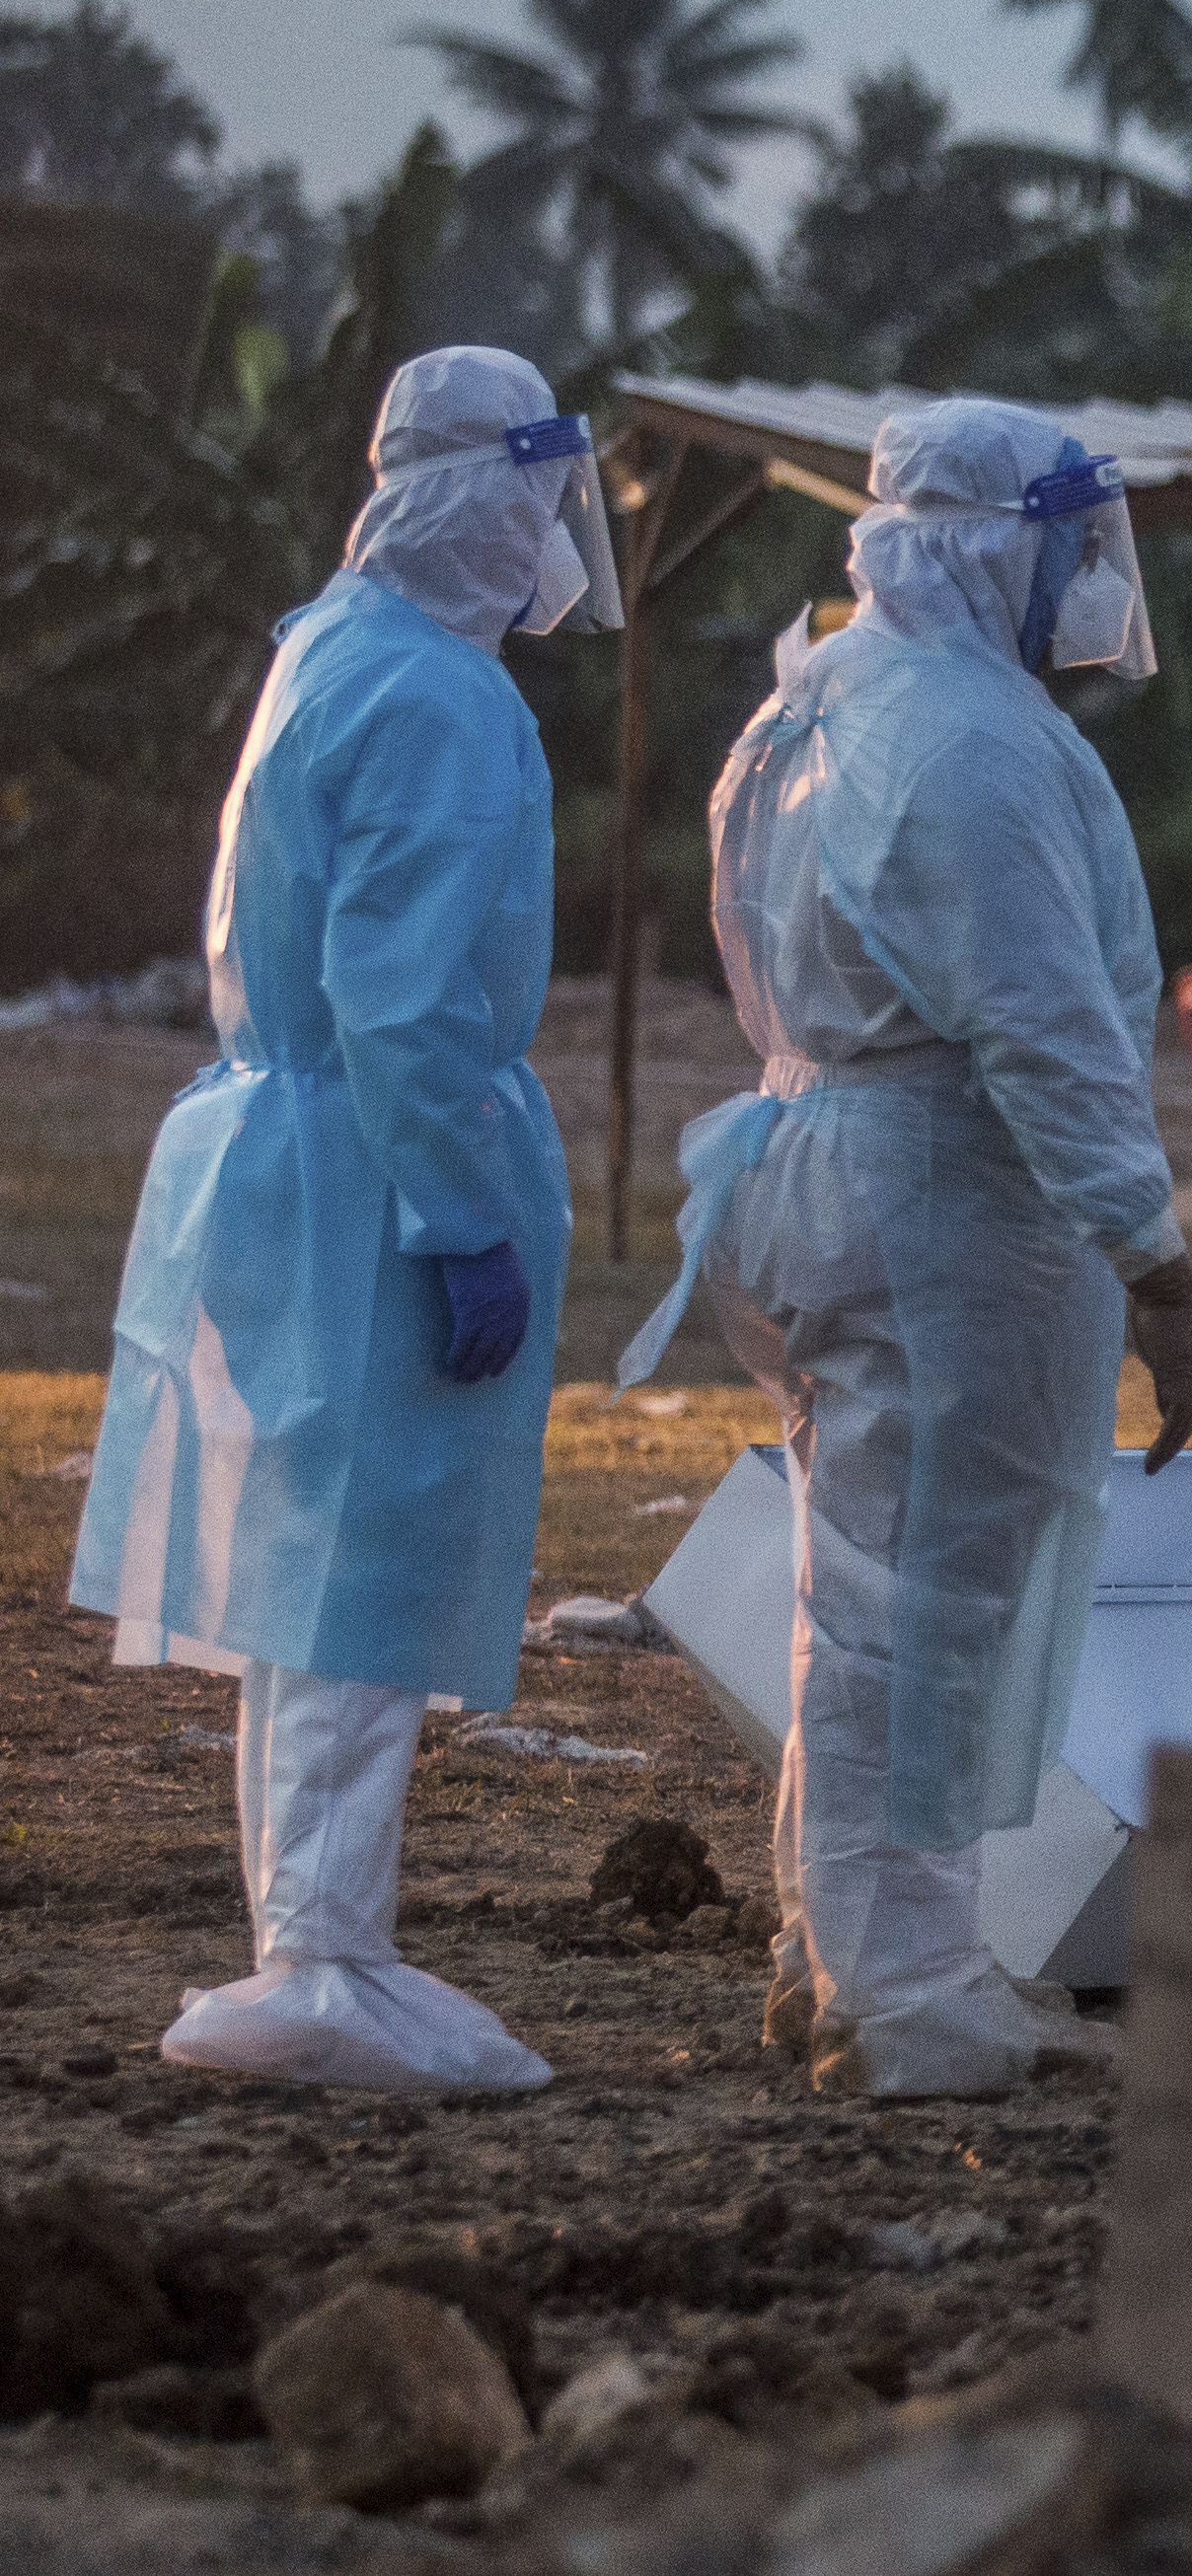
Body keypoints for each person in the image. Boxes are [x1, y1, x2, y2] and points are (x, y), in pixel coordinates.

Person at [616, 398, 1192, 2099]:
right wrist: (1154, 1265)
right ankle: (908, 1986)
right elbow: (1046, 1032)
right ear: (992, 540)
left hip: (826, 1172)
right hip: (951, 1206)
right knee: (925, 1606)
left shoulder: (809, 707)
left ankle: (850, 1954)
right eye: (1062, 543)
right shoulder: (978, 743)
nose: (1082, 582)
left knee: (857, 1591)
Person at [72, 344, 626, 2093]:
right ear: (483, 491)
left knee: (308, 1566)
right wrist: (461, 1212)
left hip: (290, 1154)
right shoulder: (444, 698)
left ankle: (316, 1936)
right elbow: (402, 1001)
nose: (552, 533)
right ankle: (319, 1954)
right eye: (536, 493)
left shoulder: (331, 643)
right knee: (358, 1568)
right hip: (375, 1174)